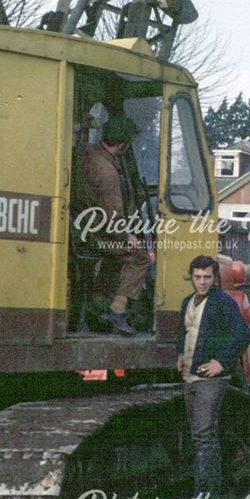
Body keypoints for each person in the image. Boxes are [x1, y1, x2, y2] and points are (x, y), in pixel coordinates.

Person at [177, 255, 250, 499]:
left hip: (210, 380)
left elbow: (242, 334)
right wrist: (180, 353)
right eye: (197, 277)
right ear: (192, 276)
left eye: (207, 277)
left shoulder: (222, 302)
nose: (202, 282)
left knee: (204, 437)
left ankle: (205, 498)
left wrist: (221, 362)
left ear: (215, 278)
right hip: (190, 377)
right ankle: (209, 493)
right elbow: (185, 331)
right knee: (200, 437)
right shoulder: (188, 302)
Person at [73, 113, 151, 335]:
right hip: (96, 234)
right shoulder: (108, 175)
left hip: (81, 227)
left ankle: (97, 305)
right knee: (139, 257)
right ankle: (118, 310)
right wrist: (129, 237)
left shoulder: (86, 152)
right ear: (123, 144)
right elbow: (114, 218)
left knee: (116, 255)